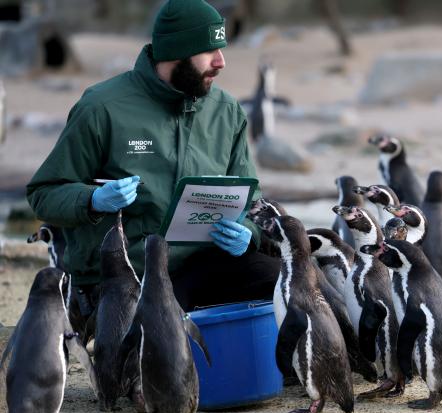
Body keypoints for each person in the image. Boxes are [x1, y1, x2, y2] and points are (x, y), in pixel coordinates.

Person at [26, 0, 280, 318]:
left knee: (283, 283)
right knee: (162, 324)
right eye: (209, 51)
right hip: (125, 275)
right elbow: (43, 194)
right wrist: (93, 199)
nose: (221, 62)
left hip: (200, 266)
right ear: (176, 52)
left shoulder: (226, 111)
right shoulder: (102, 108)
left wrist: (249, 234)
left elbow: (250, 202)